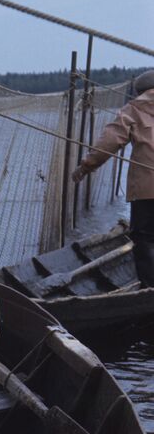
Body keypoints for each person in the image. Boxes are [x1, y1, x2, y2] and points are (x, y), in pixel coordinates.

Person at [72, 69, 154, 288]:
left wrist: (85, 167)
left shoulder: (133, 109)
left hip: (147, 189)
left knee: (144, 238)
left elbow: (108, 143)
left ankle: (149, 288)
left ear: (139, 91)